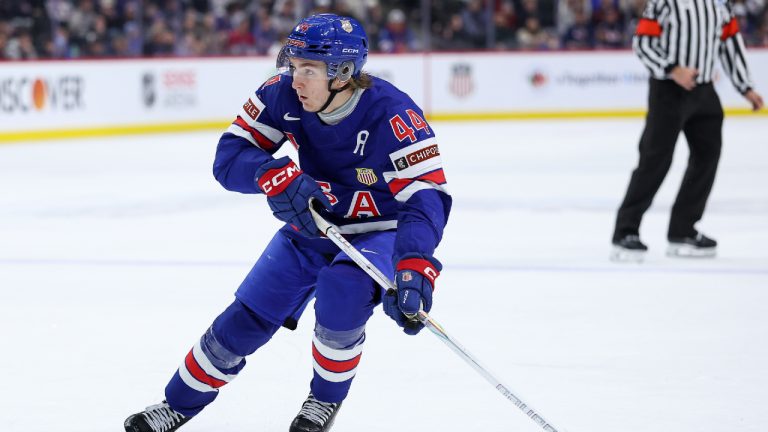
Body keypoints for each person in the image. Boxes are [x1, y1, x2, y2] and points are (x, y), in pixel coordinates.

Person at [123, 14, 451, 432]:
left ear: (343, 74)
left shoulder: (393, 114)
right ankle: (177, 405)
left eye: (308, 70)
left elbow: (425, 197)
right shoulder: (281, 94)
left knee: (342, 293)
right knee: (246, 318)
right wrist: (270, 173)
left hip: (378, 231)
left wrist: (414, 263)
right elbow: (229, 158)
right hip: (313, 224)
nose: (296, 80)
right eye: (293, 66)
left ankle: (322, 401)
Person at [611, 0, 763, 262]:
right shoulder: (665, 2)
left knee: (707, 157)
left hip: (704, 91)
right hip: (669, 90)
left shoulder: (720, 4)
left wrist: (745, 86)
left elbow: (730, 44)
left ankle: (683, 229)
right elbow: (643, 43)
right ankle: (626, 231)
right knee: (655, 160)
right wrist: (672, 69)